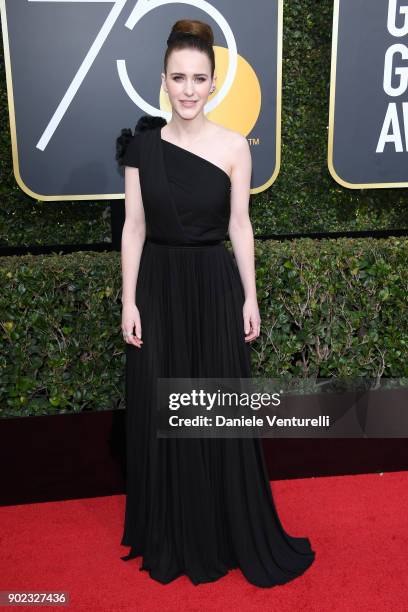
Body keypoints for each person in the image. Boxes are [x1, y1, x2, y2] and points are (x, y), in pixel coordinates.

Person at [117, 18, 315, 587]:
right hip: (157, 287)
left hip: (212, 286)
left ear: (213, 84)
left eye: (198, 78)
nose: (187, 89)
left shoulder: (233, 147)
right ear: (162, 80)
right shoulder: (141, 149)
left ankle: (223, 528)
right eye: (177, 77)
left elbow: (240, 226)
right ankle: (173, 531)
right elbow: (132, 228)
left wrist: (250, 296)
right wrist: (128, 301)